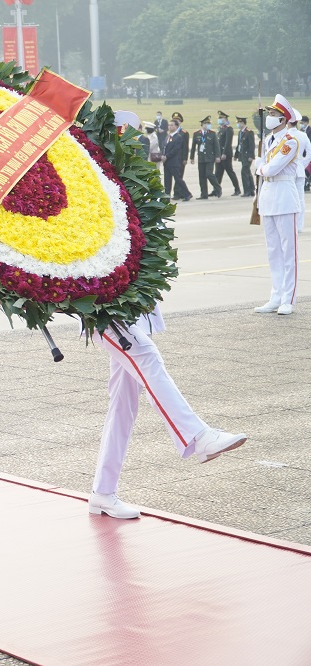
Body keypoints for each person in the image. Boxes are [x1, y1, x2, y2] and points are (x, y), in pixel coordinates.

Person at [88, 307, 248, 518]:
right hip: (106, 309)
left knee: (122, 404)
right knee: (148, 359)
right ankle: (198, 435)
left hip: (129, 308)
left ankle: (103, 491)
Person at [252, 95, 302, 316]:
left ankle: (288, 299)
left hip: (284, 196)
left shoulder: (290, 140)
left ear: (283, 119)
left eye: (272, 115)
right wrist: (262, 167)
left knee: (288, 252)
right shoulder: (269, 140)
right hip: (269, 197)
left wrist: (260, 168)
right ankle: (276, 295)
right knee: (273, 251)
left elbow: (271, 169)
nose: (269, 118)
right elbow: (266, 167)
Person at [287, 112, 311, 234]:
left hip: (287, 172)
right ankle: (299, 226)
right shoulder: (303, 135)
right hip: (299, 170)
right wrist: (302, 164)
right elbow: (309, 152)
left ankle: (290, 224)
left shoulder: (284, 136)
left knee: (288, 198)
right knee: (300, 199)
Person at [190, 116, 221, 199]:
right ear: (202, 125)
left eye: (209, 123)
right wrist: (192, 157)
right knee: (202, 176)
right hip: (201, 158)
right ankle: (204, 194)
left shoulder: (212, 133)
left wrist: (218, 156)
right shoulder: (196, 134)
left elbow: (216, 146)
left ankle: (218, 188)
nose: (208, 125)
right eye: (206, 123)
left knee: (209, 174)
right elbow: (193, 146)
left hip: (210, 157)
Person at [162, 119, 192, 201]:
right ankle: (167, 196)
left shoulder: (178, 137)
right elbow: (165, 147)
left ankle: (187, 194)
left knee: (178, 179)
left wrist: (167, 156)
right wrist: (163, 155)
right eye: (169, 125)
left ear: (176, 126)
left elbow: (175, 149)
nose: (170, 127)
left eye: (172, 125)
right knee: (167, 180)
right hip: (167, 162)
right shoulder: (168, 136)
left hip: (174, 162)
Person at [214, 111, 240, 196]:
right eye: (219, 118)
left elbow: (228, 142)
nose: (219, 120)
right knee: (218, 173)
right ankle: (216, 190)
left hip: (226, 154)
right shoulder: (220, 128)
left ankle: (237, 189)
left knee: (230, 172)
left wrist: (224, 153)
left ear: (225, 119)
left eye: (221, 118)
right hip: (219, 154)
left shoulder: (229, 128)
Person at [235, 116, 256, 197]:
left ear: (243, 123)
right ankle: (251, 190)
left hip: (247, 156)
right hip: (242, 155)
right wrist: (236, 154)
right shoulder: (240, 132)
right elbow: (239, 144)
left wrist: (251, 155)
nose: (238, 124)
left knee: (244, 171)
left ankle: (247, 191)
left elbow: (252, 145)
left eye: (239, 123)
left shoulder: (249, 132)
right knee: (247, 172)